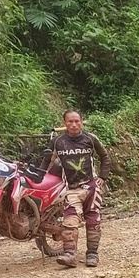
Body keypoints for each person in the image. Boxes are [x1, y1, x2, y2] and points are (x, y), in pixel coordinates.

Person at [44, 109, 111, 268]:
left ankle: (92, 255)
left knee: (93, 221)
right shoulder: (58, 142)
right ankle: (69, 255)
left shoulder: (90, 139)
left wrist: (102, 177)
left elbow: (105, 157)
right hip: (71, 189)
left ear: (82, 122)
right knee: (69, 222)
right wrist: (41, 177)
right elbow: (47, 161)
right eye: (70, 122)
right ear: (64, 123)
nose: (74, 125)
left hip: (91, 187)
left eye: (77, 121)